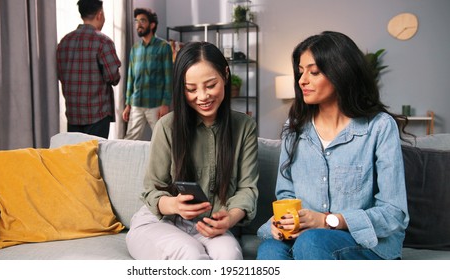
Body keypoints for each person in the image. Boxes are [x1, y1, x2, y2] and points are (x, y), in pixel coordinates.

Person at [256, 31, 410, 260]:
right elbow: (286, 194)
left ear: (341, 73)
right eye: (300, 72)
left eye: (314, 72)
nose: (302, 80)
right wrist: (282, 225)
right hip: (304, 238)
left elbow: (394, 213)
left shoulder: (379, 127)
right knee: (270, 249)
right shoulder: (295, 127)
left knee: (312, 241)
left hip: (366, 244)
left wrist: (328, 220)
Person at [126, 42, 259, 260]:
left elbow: (247, 189)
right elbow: (152, 190)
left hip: (210, 226)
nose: (202, 96)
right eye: (191, 89)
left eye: (210, 85)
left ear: (225, 75)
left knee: (230, 258)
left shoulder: (244, 127)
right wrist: (174, 205)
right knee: (190, 255)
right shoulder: (167, 126)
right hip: (161, 221)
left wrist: (230, 217)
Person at [57, 0, 121, 138]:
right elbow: (113, 77)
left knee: (76, 155)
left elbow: (60, 74)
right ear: (100, 14)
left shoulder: (64, 42)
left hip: (73, 114)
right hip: (97, 114)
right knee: (96, 156)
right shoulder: (103, 41)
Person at [122, 8, 173, 140]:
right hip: (136, 103)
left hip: (156, 104)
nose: (138, 24)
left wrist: (165, 103)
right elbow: (130, 78)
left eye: (142, 21)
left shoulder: (163, 47)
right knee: (129, 140)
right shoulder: (135, 49)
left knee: (163, 139)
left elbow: (168, 77)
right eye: (136, 21)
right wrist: (128, 104)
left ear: (152, 25)